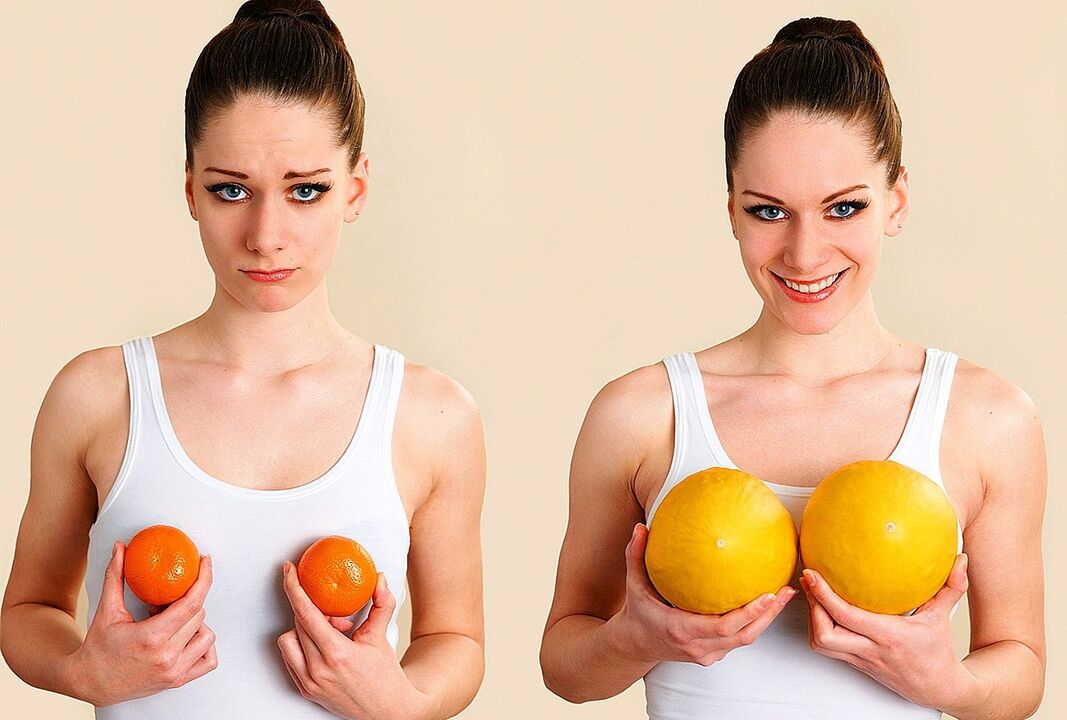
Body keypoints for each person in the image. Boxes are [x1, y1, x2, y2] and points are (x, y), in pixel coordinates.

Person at [540, 16, 1046, 719]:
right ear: (731, 212)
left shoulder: (987, 418)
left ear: (894, 201)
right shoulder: (640, 414)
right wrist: (635, 639)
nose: (804, 255)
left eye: (843, 207)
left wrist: (943, 683)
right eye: (769, 210)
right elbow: (565, 666)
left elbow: (1019, 664)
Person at [0, 2, 485, 718]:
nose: (265, 236)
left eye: (305, 191)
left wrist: (404, 702)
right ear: (189, 188)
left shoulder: (432, 414)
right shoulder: (99, 395)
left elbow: (457, 638)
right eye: (231, 190)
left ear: (354, 191)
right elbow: (28, 610)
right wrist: (82, 670)